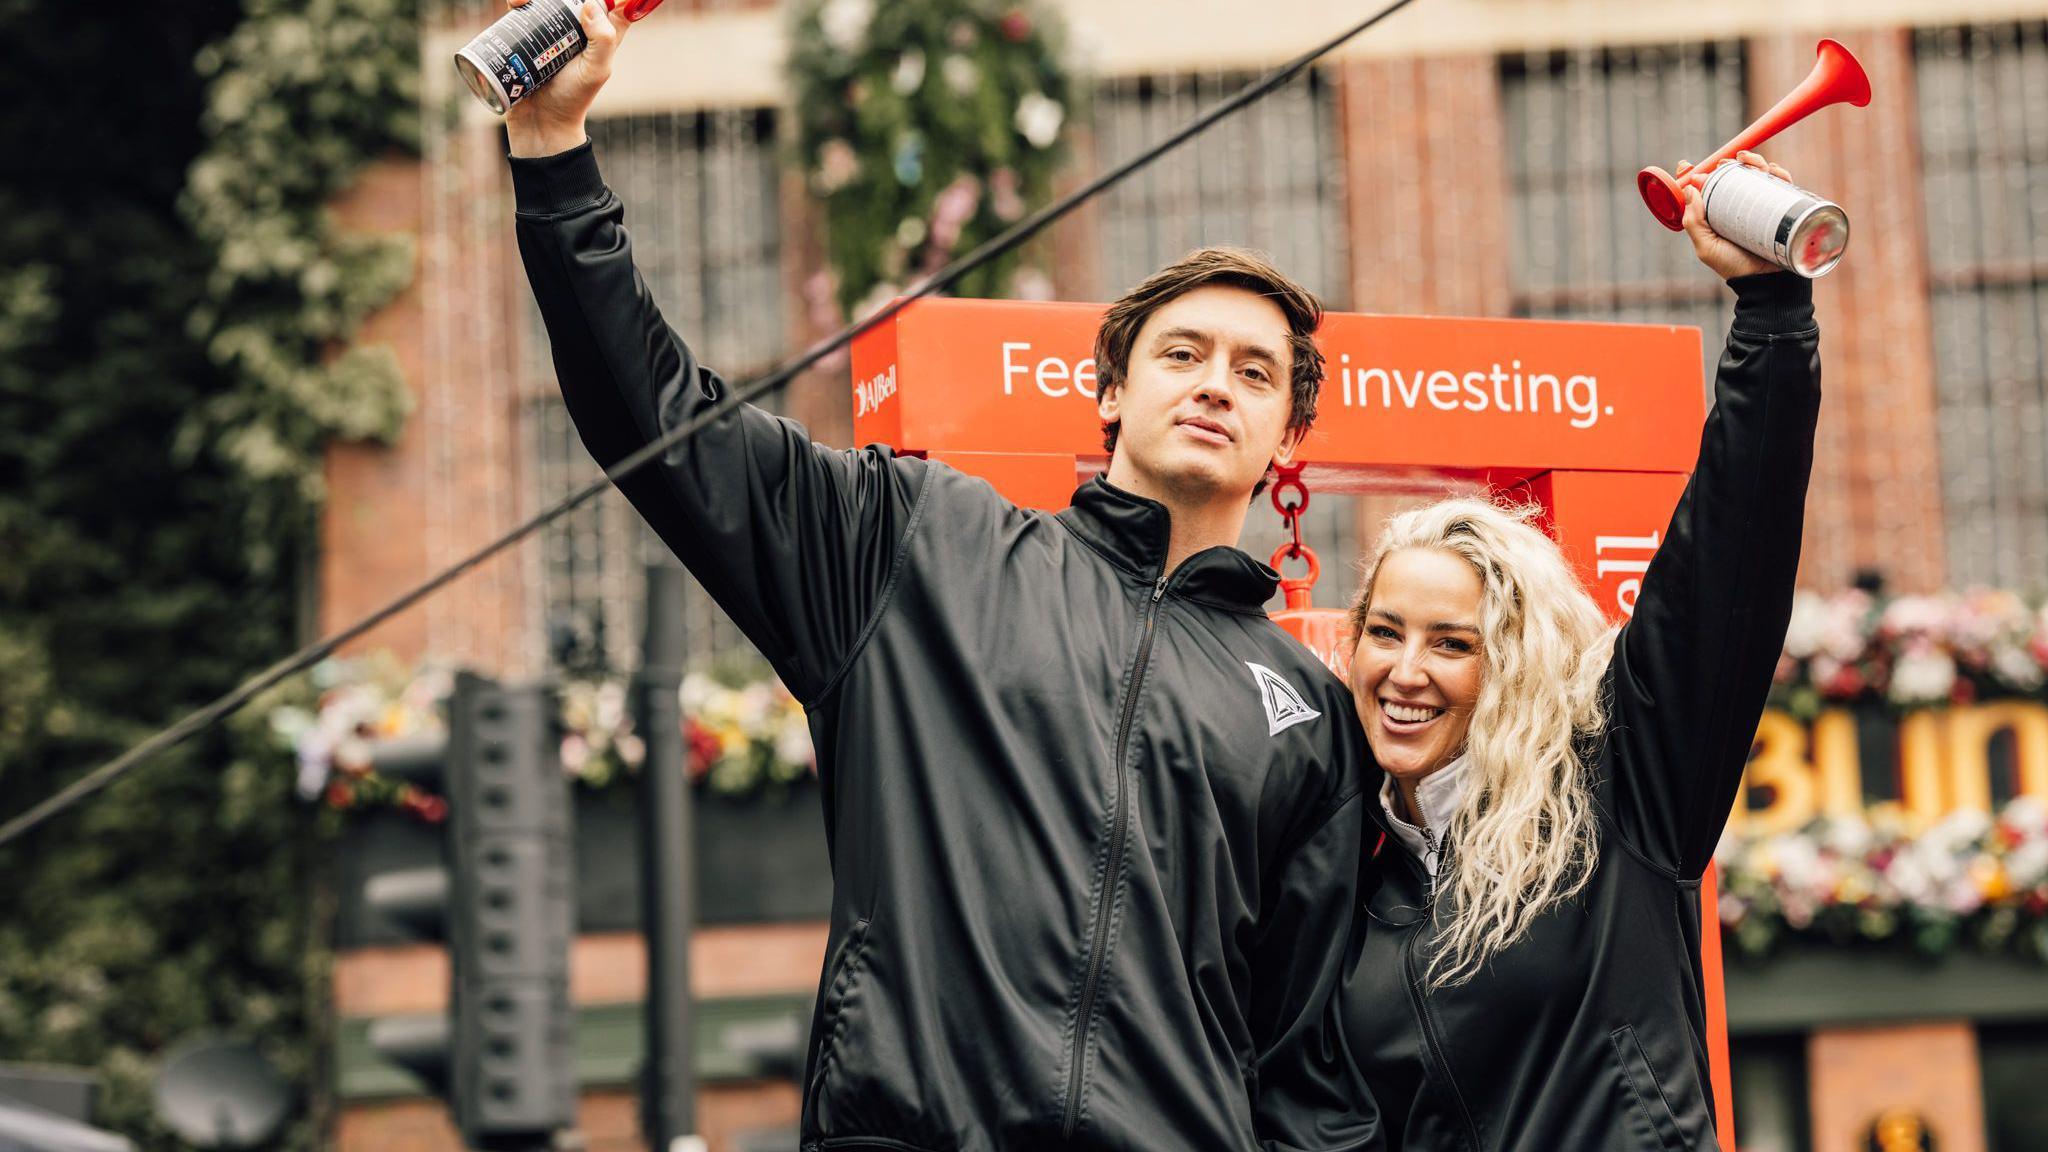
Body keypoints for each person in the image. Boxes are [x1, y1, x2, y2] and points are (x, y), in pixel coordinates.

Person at [502, 2, 1371, 1148]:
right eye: (1181, 353)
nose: (1215, 384)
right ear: (1108, 393)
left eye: (1255, 373)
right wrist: (552, 153)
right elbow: (658, 422)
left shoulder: (1304, 709)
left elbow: (1302, 1066)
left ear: (1286, 440)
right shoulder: (917, 543)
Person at [1333, 151, 1818, 1150]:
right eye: (1383, 633)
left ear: (1510, 661)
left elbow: (1732, 547)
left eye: (1450, 643)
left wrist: (1768, 308)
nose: (1403, 671)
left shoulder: (1617, 785)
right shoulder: (1346, 877)